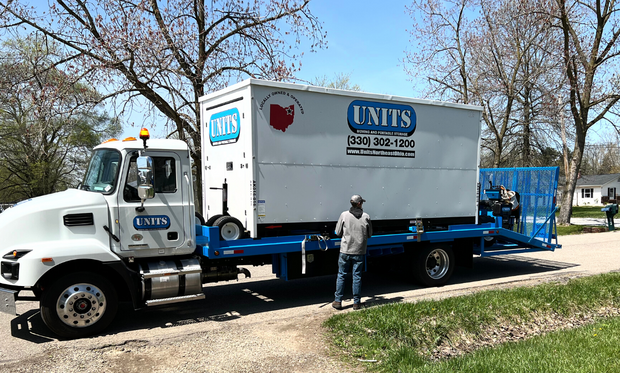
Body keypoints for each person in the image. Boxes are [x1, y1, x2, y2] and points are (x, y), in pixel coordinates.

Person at [332, 194, 372, 311]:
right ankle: (356, 303)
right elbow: (369, 234)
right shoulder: (366, 216)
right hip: (359, 251)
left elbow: (338, 232)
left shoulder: (344, 215)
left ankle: (338, 301)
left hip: (345, 250)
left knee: (341, 275)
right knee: (357, 276)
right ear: (359, 203)